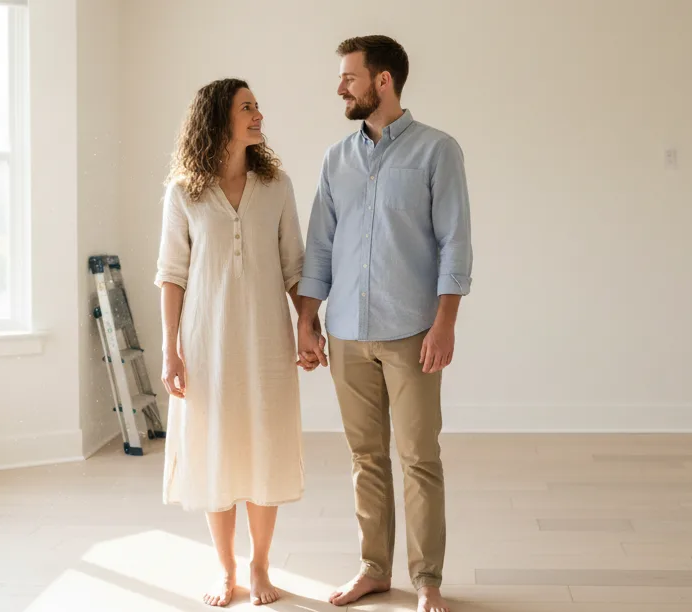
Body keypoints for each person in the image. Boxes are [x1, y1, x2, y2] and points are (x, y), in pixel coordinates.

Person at [296, 35, 473, 612]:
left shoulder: (437, 151)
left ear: (383, 81)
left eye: (349, 76)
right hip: (346, 331)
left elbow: (454, 243)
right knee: (365, 458)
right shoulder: (335, 159)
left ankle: (427, 581)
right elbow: (318, 246)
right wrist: (307, 319)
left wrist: (445, 323)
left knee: (419, 457)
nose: (340, 87)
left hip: (412, 331)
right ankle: (374, 568)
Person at [155, 78, 321, 607]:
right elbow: (171, 275)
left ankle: (261, 565)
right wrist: (170, 349)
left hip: (267, 343)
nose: (257, 113)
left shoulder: (277, 186)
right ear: (217, 118)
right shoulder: (184, 191)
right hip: (206, 345)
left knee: (265, 450)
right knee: (215, 453)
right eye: (246, 107)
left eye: (256, 105)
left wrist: (306, 325)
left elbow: (295, 265)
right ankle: (226, 570)